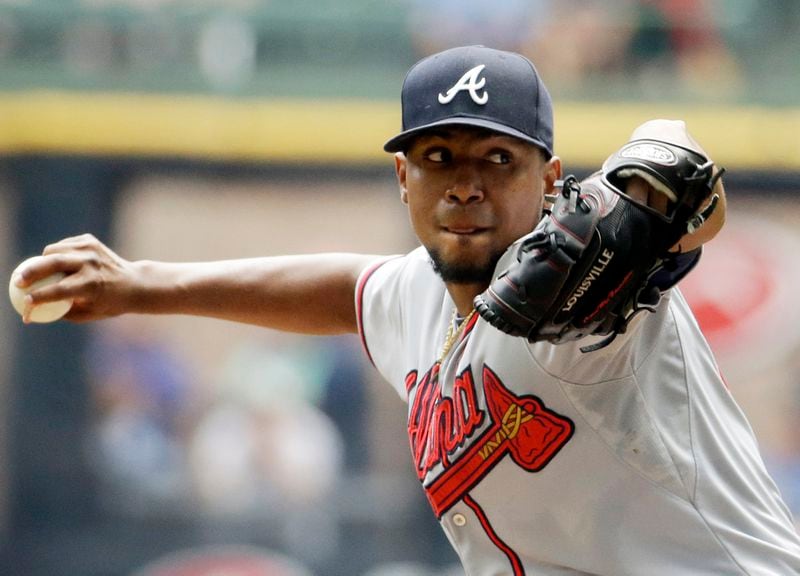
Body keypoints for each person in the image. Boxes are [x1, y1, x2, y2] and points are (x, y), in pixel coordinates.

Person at [14, 45, 800, 575]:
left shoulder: (604, 291)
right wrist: (142, 283)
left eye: (498, 159)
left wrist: (646, 185)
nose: (466, 184)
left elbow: (675, 165)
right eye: (438, 158)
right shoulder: (416, 299)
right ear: (403, 179)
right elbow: (345, 289)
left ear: (548, 175)